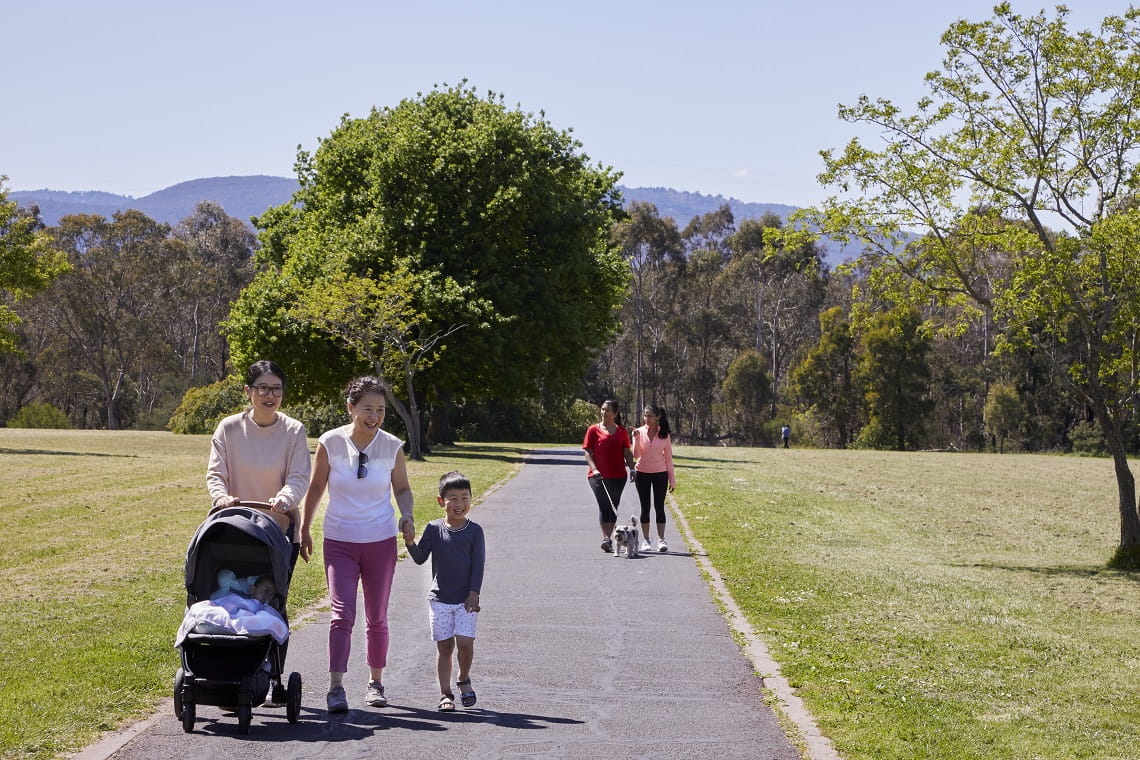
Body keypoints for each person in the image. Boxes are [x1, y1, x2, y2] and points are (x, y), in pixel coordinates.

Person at [299, 376, 415, 714]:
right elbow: (317, 486)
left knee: (376, 616)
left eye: (380, 410)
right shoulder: (330, 442)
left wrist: (406, 514)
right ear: (351, 408)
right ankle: (336, 688)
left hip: (380, 540)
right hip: (340, 540)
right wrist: (305, 527)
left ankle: (375, 683)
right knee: (341, 613)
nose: (374, 416)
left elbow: (403, 489)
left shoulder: (392, 445)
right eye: (367, 409)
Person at [206, 359, 312, 555]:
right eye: (263, 388)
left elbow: (298, 476)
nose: (270, 395)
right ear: (248, 391)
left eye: (276, 389)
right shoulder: (228, 428)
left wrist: (286, 498)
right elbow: (216, 473)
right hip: (233, 527)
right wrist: (221, 497)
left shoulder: (294, 430)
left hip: (279, 530)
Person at [404, 471, 485, 712]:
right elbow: (420, 558)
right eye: (453, 498)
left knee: (465, 643)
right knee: (445, 647)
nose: (460, 504)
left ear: (471, 500)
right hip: (439, 600)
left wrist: (474, 593)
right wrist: (409, 542)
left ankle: (463, 678)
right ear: (441, 501)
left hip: (465, 600)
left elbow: (478, 565)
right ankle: (445, 693)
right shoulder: (433, 529)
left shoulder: (475, 531)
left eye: (465, 498)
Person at [582, 399, 635, 553]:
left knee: (613, 506)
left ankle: (612, 538)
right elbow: (587, 452)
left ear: (615, 414)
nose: (604, 412)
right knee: (604, 505)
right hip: (597, 476)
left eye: (608, 410)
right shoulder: (593, 430)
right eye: (602, 409)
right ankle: (606, 538)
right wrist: (594, 468)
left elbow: (626, 452)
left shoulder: (621, 432)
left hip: (618, 476)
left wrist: (632, 469)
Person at [630, 404, 677, 553]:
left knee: (659, 506)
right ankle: (646, 540)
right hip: (642, 473)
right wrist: (636, 439)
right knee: (645, 507)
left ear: (658, 417)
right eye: (645, 415)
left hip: (660, 474)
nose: (647, 419)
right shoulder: (639, 432)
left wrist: (672, 479)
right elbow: (636, 455)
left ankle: (661, 540)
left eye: (650, 416)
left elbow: (668, 459)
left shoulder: (664, 435)